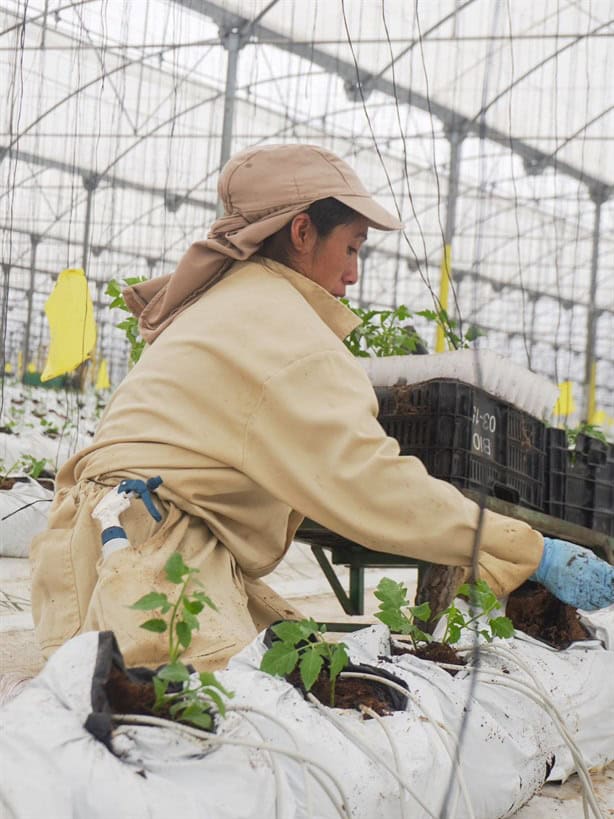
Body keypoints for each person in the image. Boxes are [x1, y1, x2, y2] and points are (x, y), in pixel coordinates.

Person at [30, 144, 614, 670]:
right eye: (352, 248)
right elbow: (371, 482)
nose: (354, 275)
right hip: (145, 557)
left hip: (121, 541)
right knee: (207, 740)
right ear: (303, 232)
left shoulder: (233, 304)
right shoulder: (283, 332)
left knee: (307, 676)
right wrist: (531, 549)